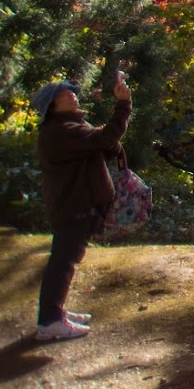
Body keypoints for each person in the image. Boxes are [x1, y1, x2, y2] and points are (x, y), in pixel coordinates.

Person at [33, 70, 134, 343]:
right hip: (72, 206)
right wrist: (123, 105)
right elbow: (102, 138)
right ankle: (50, 321)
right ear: (52, 106)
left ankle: (56, 313)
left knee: (66, 259)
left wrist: (110, 145)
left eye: (72, 92)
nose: (72, 95)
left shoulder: (70, 128)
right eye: (65, 94)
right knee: (63, 261)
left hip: (76, 204)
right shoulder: (61, 132)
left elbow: (101, 143)